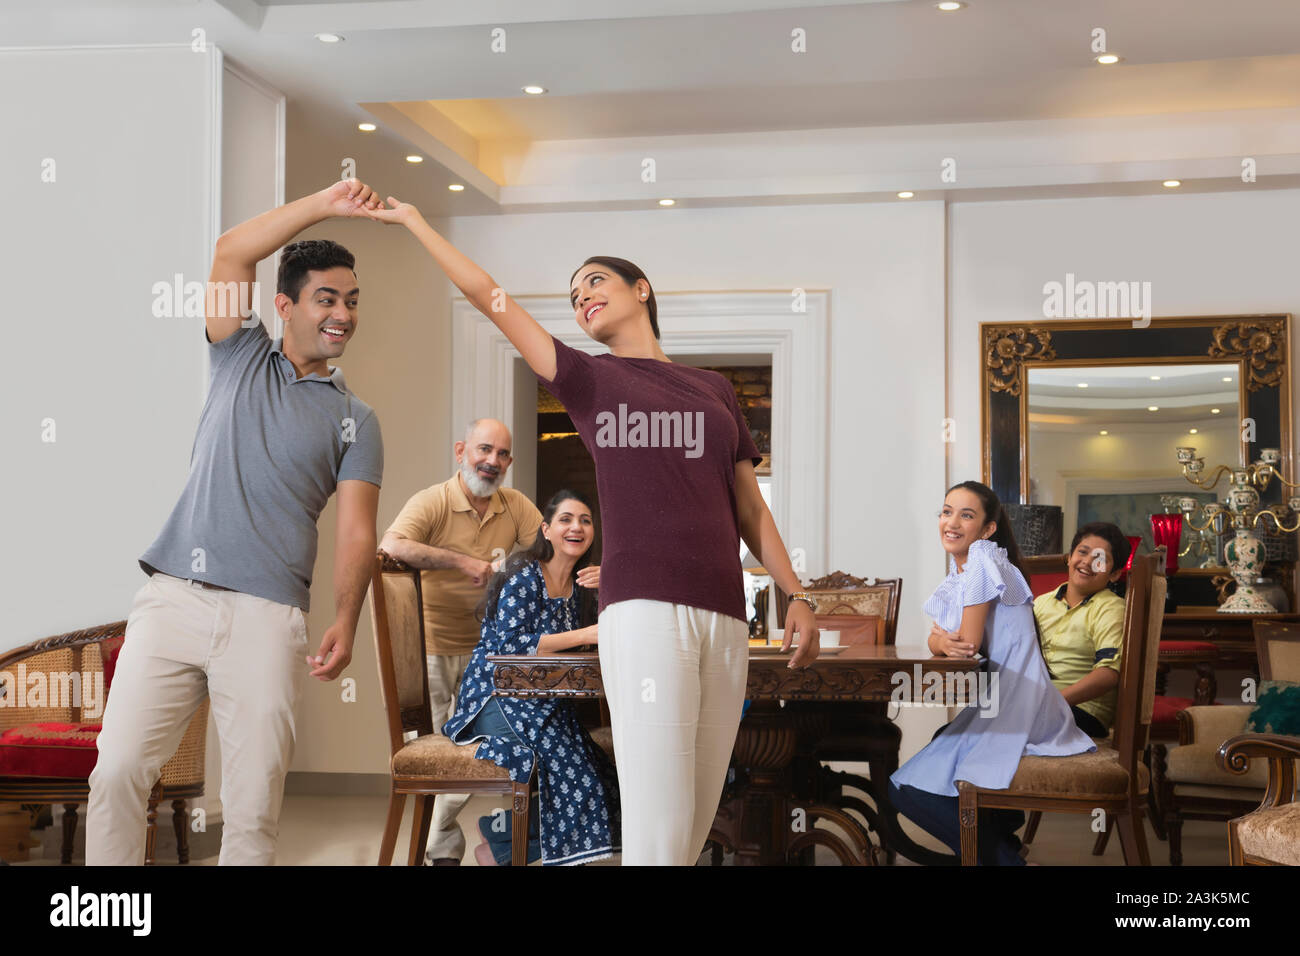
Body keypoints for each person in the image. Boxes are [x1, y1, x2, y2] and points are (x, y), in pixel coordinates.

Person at [364, 195, 819, 865]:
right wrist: (415, 222)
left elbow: (750, 508)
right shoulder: (591, 380)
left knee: (693, 822)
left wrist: (795, 592)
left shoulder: (715, 389)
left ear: (642, 290)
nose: (581, 299)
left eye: (595, 282)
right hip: (644, 613)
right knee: (660, 827)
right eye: (573, 296)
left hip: (724, 615)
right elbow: (490, 297)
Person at [87, 180, 386, 865]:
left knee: (252, 808)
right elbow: (231, 251)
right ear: (285, 305)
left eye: (351, 301)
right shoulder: (237, 352)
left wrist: (346, 616)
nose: (343, 313)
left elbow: (356, 533)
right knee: (118, 769)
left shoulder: (356, 420)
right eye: (327, 297)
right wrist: (325, 204)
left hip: (266, 617)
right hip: (171, 601)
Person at [888, 481, 1096, 866]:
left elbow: (963, 646)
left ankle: (998, 858)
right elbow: (945, 641)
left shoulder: (983, 561)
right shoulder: (969, 570)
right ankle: (1000, 848)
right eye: (947, 511)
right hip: (1017, 698)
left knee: (902, 788)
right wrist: (938, 643)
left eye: (966, 515)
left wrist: (942, 641)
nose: (951, 522)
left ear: (987, 529)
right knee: (939, 747)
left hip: (1020, 706)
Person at [379, 419, 542, 864]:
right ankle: (445, 844)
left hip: (489, 656)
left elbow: (545, 550)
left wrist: (519, 572)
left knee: (483, 748)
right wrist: (459, 562)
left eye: (502, 454)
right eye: (483, 449)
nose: (492, 461)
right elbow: (391, 545)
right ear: (461, 451)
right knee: (438, 757)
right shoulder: (432, 501)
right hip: (429, 649)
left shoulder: (515, 506)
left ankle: (438, 841)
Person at [444, 490, 616, 866]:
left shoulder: (579, 589)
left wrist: (612, 586)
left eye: (585, 520)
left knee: (605, 781)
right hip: (495, 698)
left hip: (542, 705)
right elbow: (511, 648)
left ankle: (500, 840)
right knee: (580, 781)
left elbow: (608, 634)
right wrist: (585, 635)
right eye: (566, 519)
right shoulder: (524, 576)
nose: (577, 527)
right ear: (547, 530)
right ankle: (503, 846)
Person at [1033, 522, 1130, 738]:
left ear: (1114, 574)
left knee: (981, 739)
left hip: (1083, 713)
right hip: (1035, 705)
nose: (1087, 562)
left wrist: (1054, 702)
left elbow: (1108, 674)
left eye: (1100, 559)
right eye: (1083, 552)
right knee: (950, 735)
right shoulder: (1040, 603)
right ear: (1069, 557)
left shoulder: (1111, 607)